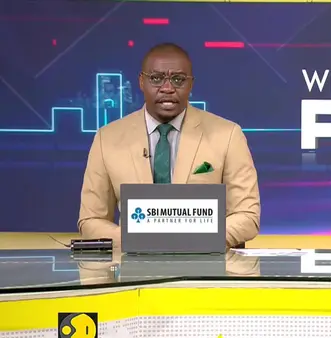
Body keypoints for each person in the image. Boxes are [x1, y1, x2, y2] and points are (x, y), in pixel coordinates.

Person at [77, 43, 260, 247]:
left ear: (191, 84)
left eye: (178, 79)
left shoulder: (228, 135)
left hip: (204, 262)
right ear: (141, 82)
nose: (167, 88)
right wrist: (141, 241)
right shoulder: (107, 139)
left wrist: (197, 240)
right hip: (133, 262)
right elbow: (91, 220)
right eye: (156, 78)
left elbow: (247, 215)